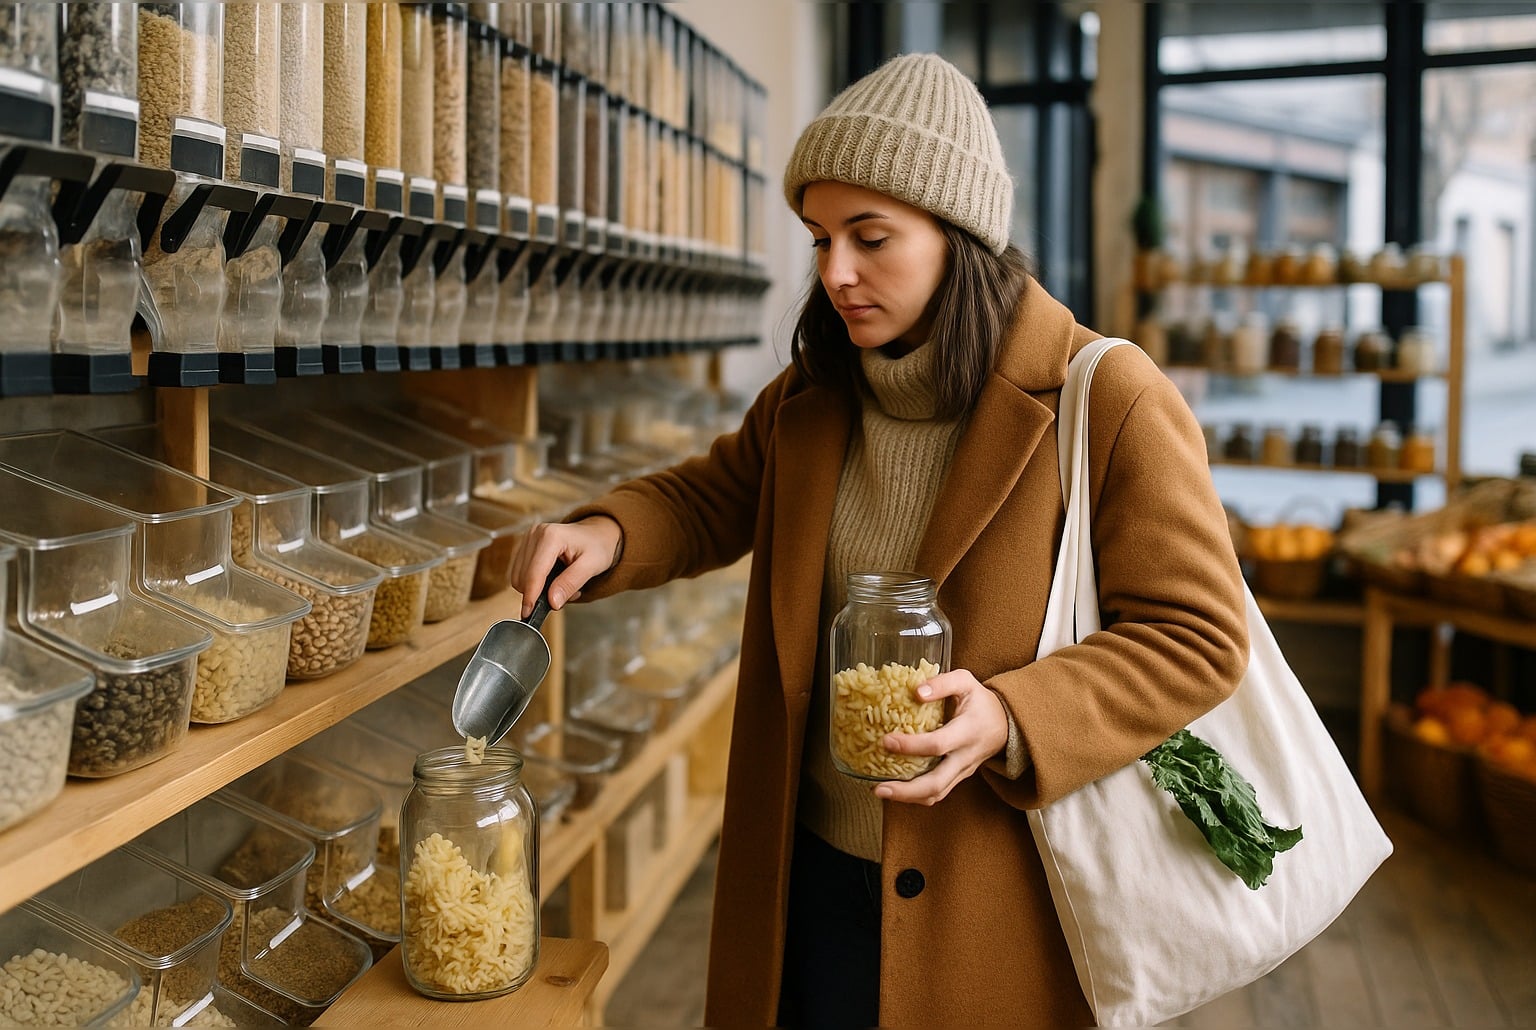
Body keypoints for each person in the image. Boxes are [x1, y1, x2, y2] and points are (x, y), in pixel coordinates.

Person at [510, 52, 1249, 1028]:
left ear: (962, 235)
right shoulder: (812, 398)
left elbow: (1198, 637)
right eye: (819, 239)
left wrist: (1012, 715)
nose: (835, 272)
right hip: (806, 868)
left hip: (995, 893)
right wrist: (610, 529)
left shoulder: (1104, 397)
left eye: (871, 237)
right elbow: (715, 496)